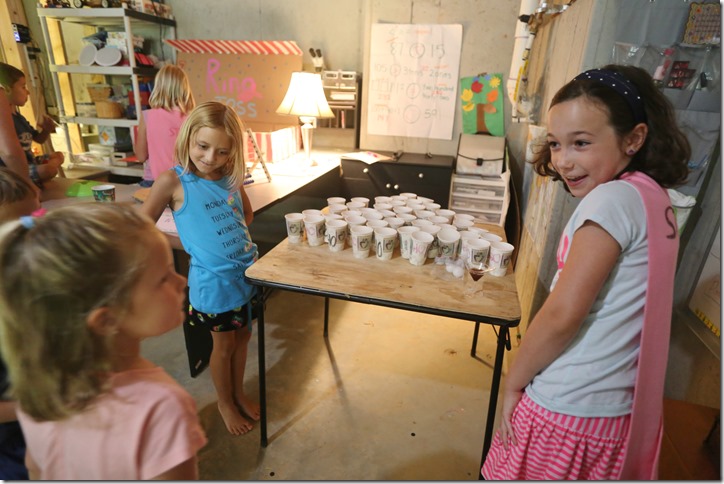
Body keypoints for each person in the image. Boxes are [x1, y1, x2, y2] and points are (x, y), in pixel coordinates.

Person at [482, 64, 690, 480]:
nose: (563, 161)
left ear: (633, 138)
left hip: (565, 409)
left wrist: (513, 381)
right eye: (555, 144)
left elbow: (563, 314)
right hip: (614, 411)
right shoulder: (654, 198)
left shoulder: (610, 201)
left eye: (581, 143)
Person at [0, 203, 207, 479]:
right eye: (163, 278)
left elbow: (35, 468)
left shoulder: (38, 390)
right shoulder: (161, 407)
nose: (181, 281)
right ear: (106, 320)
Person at [140, 101, 260, 436]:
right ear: (188, 137)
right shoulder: (173, 181)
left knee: (244, 337)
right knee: (223, 348)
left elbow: (246, 215)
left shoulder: (231, 177)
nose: (210, 158)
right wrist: (190, 244)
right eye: (203, 146)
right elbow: (140, 227)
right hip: (213, 285)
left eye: (222, 151)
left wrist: (229, 242)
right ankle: (225, 402)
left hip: (246, 275)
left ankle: (238, 393)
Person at [0, 168, 43, 480]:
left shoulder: (28, 282)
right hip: (12, 451)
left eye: (33, 220)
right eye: (15, 230)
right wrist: (47, 406)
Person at [0, 63, 63, 188]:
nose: (27, 92)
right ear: (6, 89)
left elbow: (38, 139)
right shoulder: (6, 119)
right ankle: (32, 181)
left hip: (30, 161)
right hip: (11, 171)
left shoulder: (19, 117)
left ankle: (37, 177)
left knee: (58, 156)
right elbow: (10, 154)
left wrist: (46, 130)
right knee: (48, 170)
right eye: (23, 87)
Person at [133, 64, 196, 187]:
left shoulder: (147, 116)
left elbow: (141, 156)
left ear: (158, 87)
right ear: (185, 88)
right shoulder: (193, 118)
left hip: (154, 181)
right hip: (185, 182)